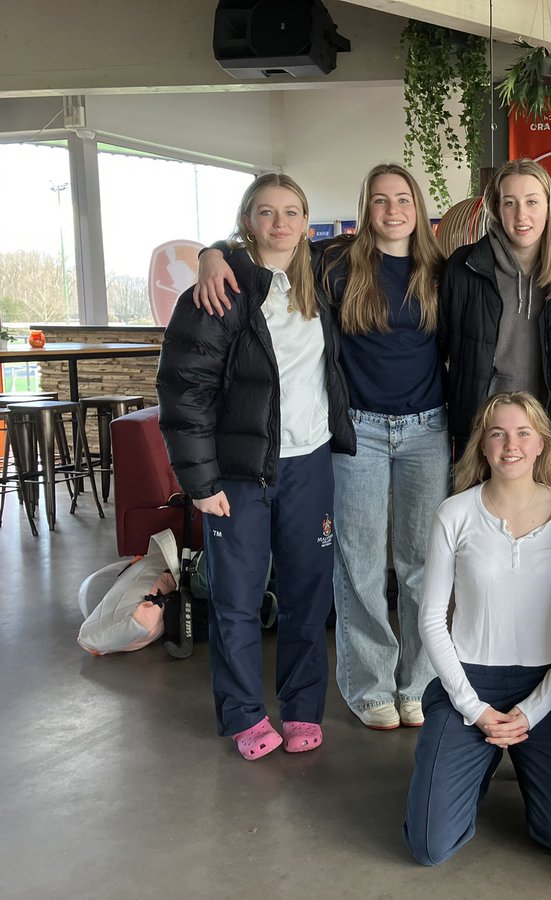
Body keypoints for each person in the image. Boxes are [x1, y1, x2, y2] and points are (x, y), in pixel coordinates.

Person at [194, 163, 448, 731]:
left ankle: (419, 684)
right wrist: (212, 252)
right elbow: (264, 248)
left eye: (402, 199)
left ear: (418, 207)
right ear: (365, 208)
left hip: (427, 431)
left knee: (421, 566)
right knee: (358, 565)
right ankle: (371, 687)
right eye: (379, 199)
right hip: (357, 432)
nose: (392, 210)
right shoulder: (335, 263)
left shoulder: (440, 270)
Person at [158, 173, 355, 760]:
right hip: (240, 474)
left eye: (291, 211)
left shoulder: (322, 279)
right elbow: (184, 390)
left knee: (307, 597)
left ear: (306, 221)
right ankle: (244, 714)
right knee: (237, 600)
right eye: (266, 212)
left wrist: (211, 249)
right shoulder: (218, 292)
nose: (280, 223)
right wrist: (200, 483)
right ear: (248, 220)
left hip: (309, 464)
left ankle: (301, 708)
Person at [404, 391, 551, 865]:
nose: (511, 445)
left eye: (523, 433)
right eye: (498, 434)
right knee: (428, 846)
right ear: (483, 446)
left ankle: (518, 758)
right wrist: (474, 709)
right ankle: (477, 761)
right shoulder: (454, 513)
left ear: (541, 444)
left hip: (544, 684)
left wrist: (533, 711)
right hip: (470, 681)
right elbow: (431, 618)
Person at [438, 158, 551, 458]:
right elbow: (439, 347)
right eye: (510, 203)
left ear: (549, 207)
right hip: (479, 428)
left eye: (532, 202)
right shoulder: (464, 267)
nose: (521, 215)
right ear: (496, 208)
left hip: (542, 431)